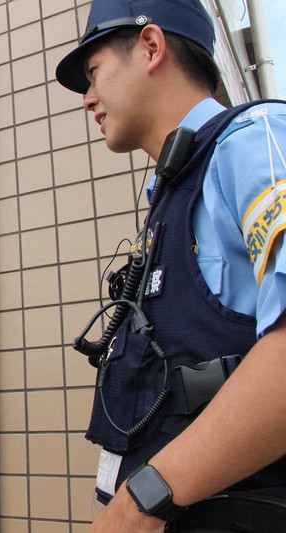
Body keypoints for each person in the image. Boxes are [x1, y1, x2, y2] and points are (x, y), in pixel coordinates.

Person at [55, 0, 286, 531]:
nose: (88, 98)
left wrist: (141, 504)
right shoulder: (172, 191)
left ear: (152, 46)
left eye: (93, 73)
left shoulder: (255, 140)